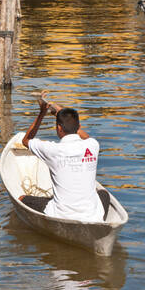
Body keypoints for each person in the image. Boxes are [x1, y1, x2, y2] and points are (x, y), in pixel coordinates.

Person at [18, 95, 107, 223]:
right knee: (104, 194)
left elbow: (26, 141)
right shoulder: (93, 145)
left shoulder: (52, 150)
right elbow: (85, 136)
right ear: (79, 127)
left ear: (59, 128)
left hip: (61, 215)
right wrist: (59, 112)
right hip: (93, 215)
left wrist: (42, 113)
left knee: (22, 198)